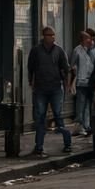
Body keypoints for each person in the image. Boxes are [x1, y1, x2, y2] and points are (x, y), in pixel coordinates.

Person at [28, 25, 73, 156]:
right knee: (40, 117)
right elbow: (30, 67)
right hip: (40, 88)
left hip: (56, 88)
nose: (52, 38)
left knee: (58, 115)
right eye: (49, 35)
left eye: (53, 35)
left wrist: (67, 84)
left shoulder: (59, 50)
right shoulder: (36, 50)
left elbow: (66, 68)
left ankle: (67, 144)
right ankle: (39, 146)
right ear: (44, 36)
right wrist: (31, 82)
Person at [71, 29, 95, 138]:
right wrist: (73, 76)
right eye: (87, 38)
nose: (89, 40)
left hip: (91, 82)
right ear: (82, 40)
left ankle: (87, 126)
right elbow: (73, 65)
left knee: (88, 105)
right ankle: (80, 125)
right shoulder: (77, 50)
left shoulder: (93, 50)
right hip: (81, 81)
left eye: (90, 38)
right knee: (81, 104)